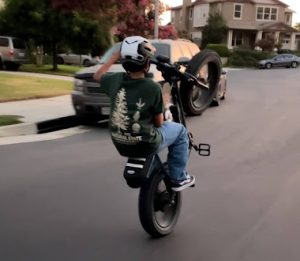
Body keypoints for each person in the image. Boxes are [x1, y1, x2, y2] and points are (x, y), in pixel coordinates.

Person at [94, 36, 195, 191]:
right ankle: (178, 178)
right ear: (147, 64)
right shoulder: (153, 87)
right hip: (145, 142)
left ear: (123, 61)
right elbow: (159, 123)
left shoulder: (114, 80)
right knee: (180, 132)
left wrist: (113, 57)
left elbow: (97, 76)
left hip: (120, 142)